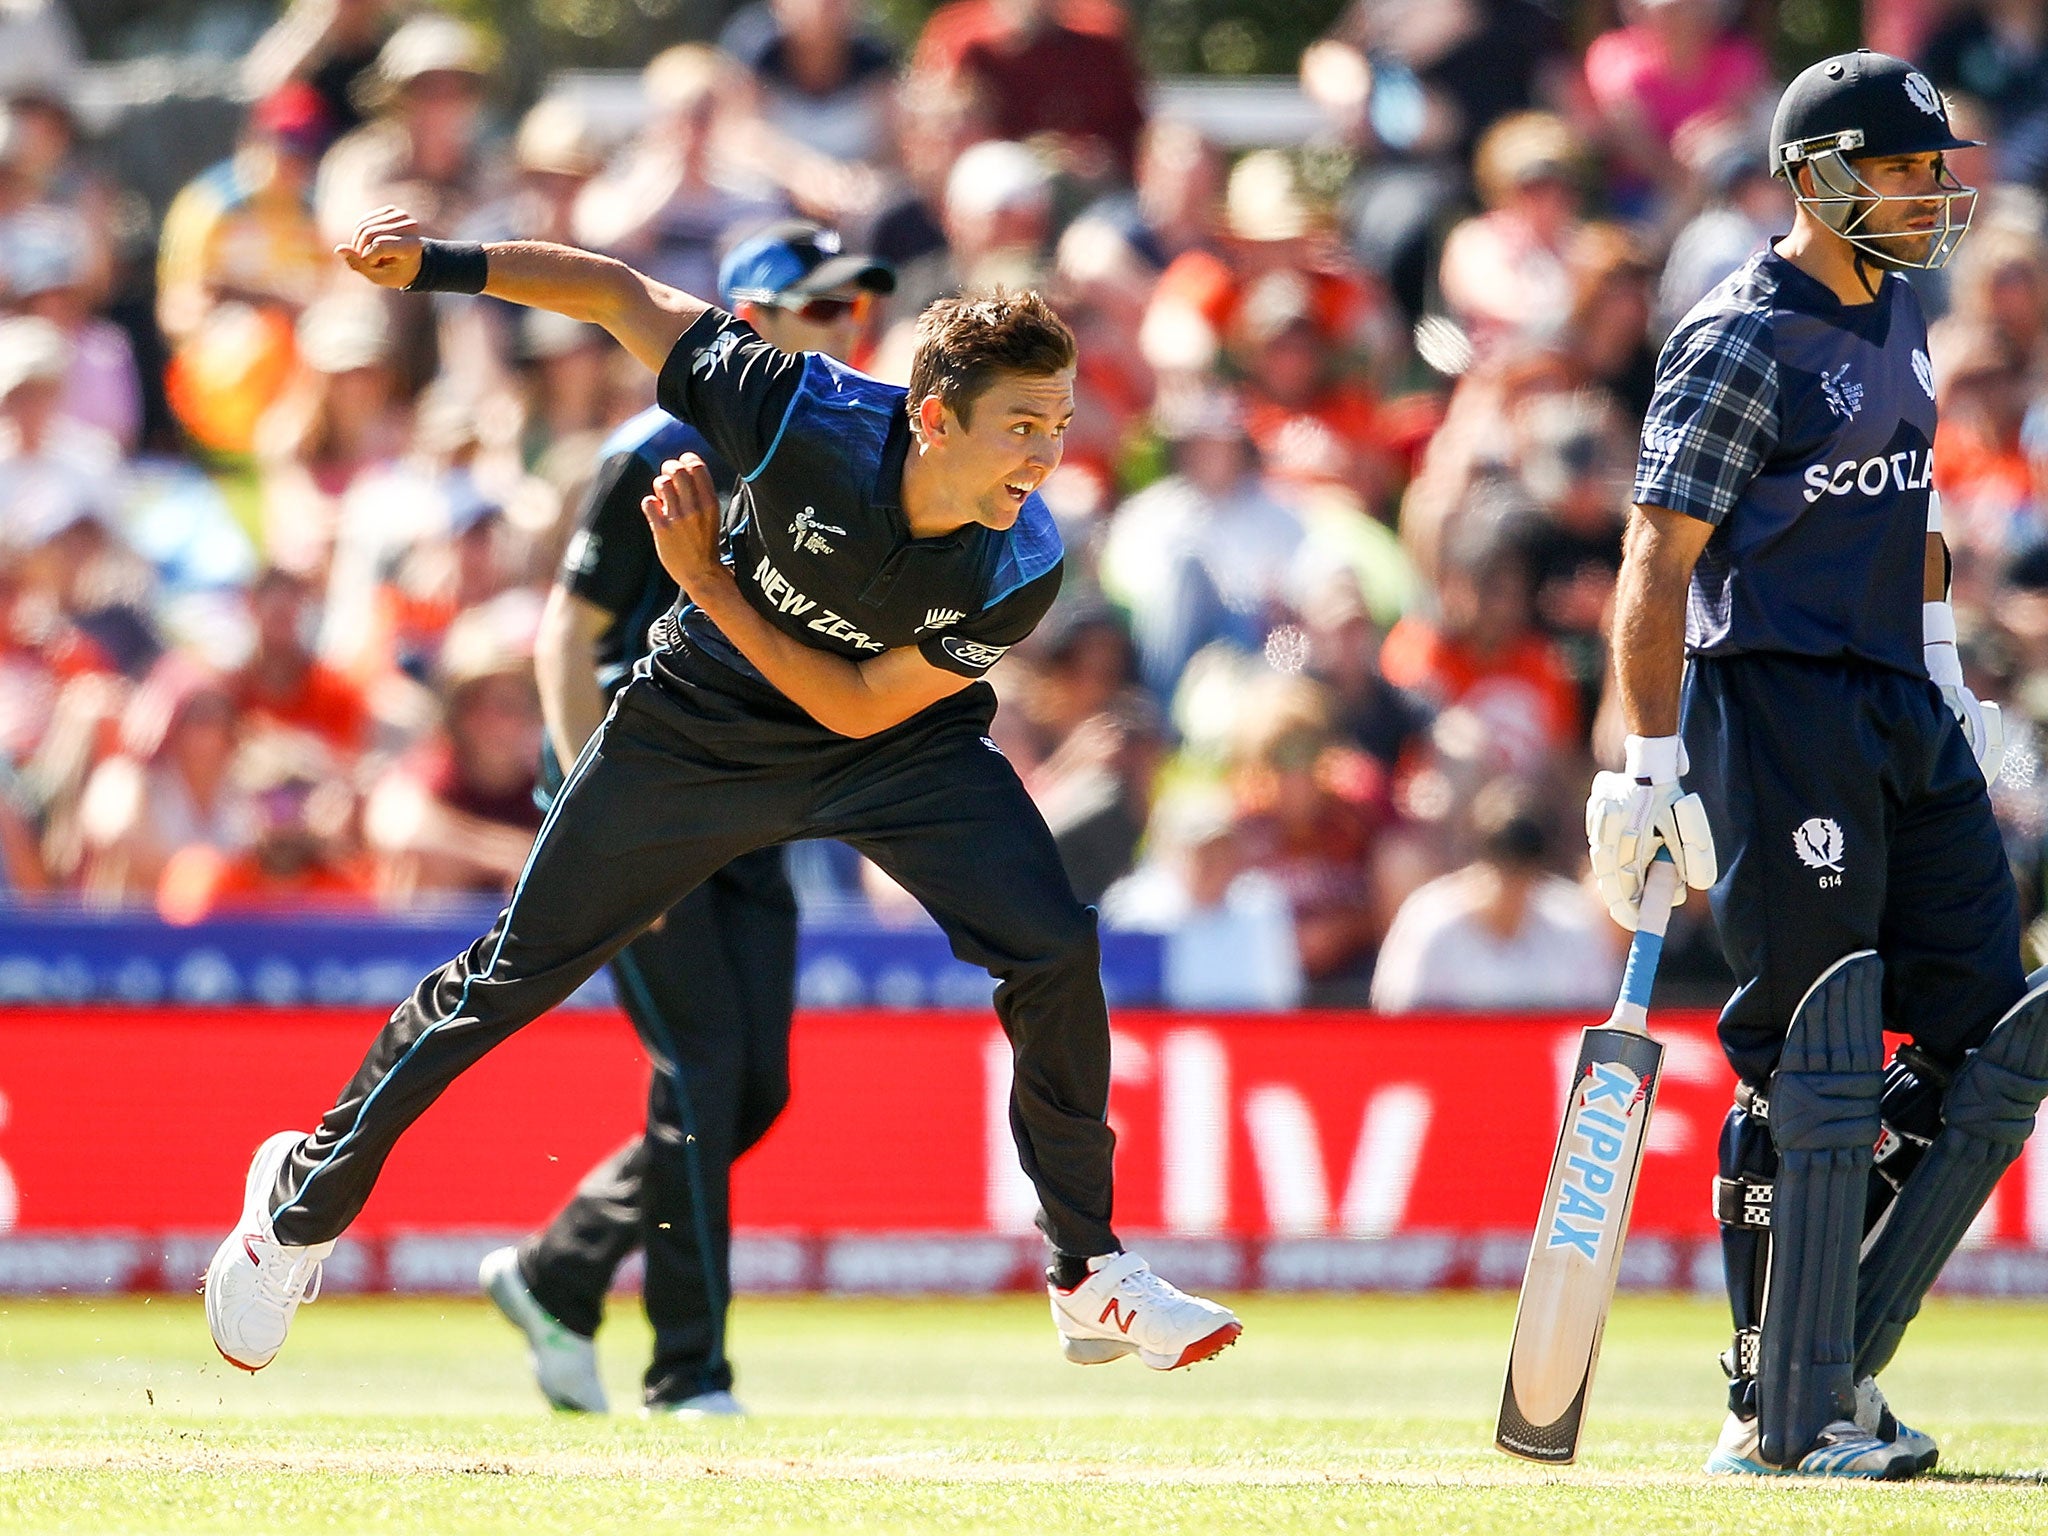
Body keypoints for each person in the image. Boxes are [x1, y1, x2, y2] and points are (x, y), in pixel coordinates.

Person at [205, 202, 1240, 1381]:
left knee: (1051, 947)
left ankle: (1085, 1270)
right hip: (697, 732)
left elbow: (857, 706)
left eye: (1054, 427)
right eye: (1018, 427)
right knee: (510, 978)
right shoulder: (798, 408)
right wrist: (436, 264)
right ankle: (295, 1199)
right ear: (933, 415)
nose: (1043, 459)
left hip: (889, 749)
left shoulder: (1024, 559)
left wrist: (709, 582)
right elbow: (612, 293)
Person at [1591, 52, 2048, 1480]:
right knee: (1813, 1042)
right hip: (1773, 706)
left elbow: (1907, 510)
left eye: (1935, 170)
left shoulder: (1905, 306)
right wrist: (1650, 763)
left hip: (1895, 706)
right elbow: (1657, 555)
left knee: (1992, 1036)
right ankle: (1766, 1407)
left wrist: (1947, 672)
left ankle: (1829, 1369)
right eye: (1906, 172)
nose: (1932, 195)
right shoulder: (1742, 335)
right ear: (1819, 177)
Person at [476, 220, 894, 1418]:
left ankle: (558, 1273)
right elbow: (565, 631)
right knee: (703, 1069)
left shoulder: (826, 456)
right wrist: (588, 806)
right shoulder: (658, 439)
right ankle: (687, 1372)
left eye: (851, 314)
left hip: (740, 813)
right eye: (819, 310)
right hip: (640, 808)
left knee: (752, 1091)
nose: (843, 333)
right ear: (749, 320)